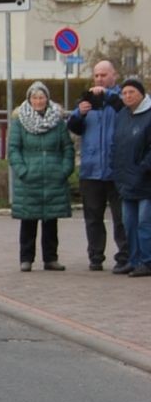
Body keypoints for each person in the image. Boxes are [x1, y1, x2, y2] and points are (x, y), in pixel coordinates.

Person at [66, 60, 129, 272]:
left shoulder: (122, 98)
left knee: (122, 218)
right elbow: (74, 128)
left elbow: (126, 113)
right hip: (91, 170)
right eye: (96, 76)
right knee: (93, 218)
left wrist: (108, 96)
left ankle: (124, 256)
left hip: (116, 169)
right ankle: (95, 256)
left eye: (104, 75)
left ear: (114, 76)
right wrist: (79, 113)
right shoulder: (87, 100)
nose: (99, 79)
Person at [8, 81, 74, 272]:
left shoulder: (58, 122)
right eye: (35, 97)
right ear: (29, 100)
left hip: (53, 177)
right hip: (29, 178)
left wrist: (64, 170)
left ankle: (51, 259)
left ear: (47, 98)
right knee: (28, 220)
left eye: (41, 97)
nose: (38, 101)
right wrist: (23, 171)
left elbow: (67, 148)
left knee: (51, 221)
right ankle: (26, 259)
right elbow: (13, 150)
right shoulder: (20, 122)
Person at [109, 78, 151, 278]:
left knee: (145, 223)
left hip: (146, 182)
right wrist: (115, 168)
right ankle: (133, 261)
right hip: (126, 181)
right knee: (129, 223)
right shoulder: (122, 116)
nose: (127, 96)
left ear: (141, 94)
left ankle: (147, 261)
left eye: (131, 92)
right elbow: (116, 145)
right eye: (124, 93)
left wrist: (142, 169)